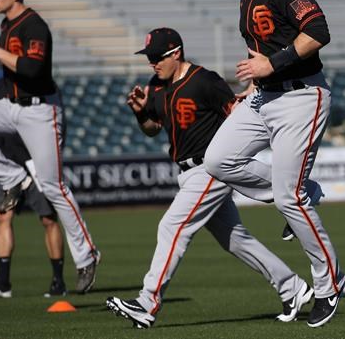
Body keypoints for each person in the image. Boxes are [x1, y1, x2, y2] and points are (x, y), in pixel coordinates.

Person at [105, 27, 313, 329]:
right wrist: (140, 114)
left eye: (156, 57)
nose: (152, 63)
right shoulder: (156, 85)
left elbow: (236, 116)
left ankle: (147, 302)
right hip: (186, 173)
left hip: (210, 169)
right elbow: (152, 127)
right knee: (235, 240)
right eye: (148, 58)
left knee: (172, 226)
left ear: (176, 53)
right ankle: (292, 287)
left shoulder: (204, 81)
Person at [204, 0, 345, 328]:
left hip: (302, 96)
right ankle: (302, 190)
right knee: (218, 159)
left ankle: (329, 284)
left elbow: (318, 31)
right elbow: (260, 56)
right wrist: (250, 91)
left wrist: (275, 62)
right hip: (264, 97)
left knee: (290, 198)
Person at [0, 0, 100, 294]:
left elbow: (34, 69)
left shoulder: (34, 25)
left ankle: (87, 254)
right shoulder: (7, 26)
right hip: (12, 106)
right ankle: (10, 177)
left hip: (39, 111)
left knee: (53, 186)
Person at [0, 78, 66, 299]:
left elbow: (59, 123)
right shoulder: (0, 86)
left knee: (48, 219)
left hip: (37, 162)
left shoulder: (46, 84)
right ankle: (3, 283)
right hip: (6, 163)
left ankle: (58, 281)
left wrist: (52, 158)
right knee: (2, 217)